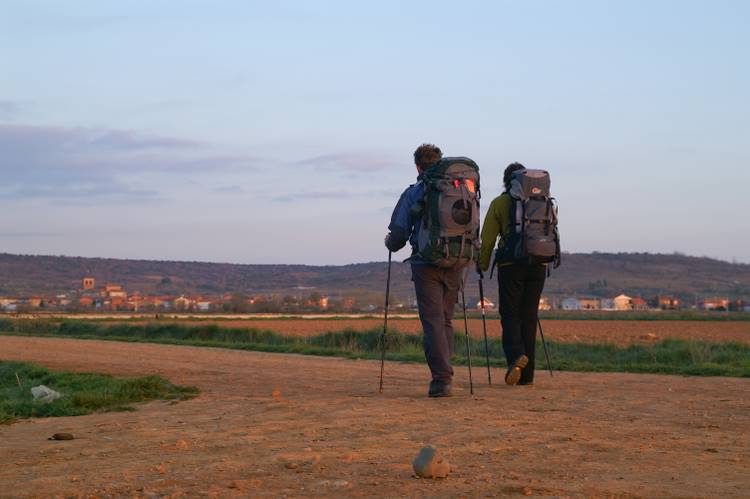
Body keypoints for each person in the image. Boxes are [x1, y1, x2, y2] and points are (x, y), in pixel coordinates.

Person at [384, 143, 464, 398]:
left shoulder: (415, 192)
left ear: (418, 166)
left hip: (426, 263)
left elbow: (397, 234)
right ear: (440, 163)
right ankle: (445, 370)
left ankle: (442, 379)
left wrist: (390, 243)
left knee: (432, 321)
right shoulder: (460, 191)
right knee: (446, 319)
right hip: (457, 261)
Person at [477, 162, 547, 386]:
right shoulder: (542, 202)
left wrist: (482, 264)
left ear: (507, 181)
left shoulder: (500, 203)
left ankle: (516, 356)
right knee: (529, 317)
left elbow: (487, 239)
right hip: (538, 264)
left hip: (510, 266)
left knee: (510, 315)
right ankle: (527, 376)